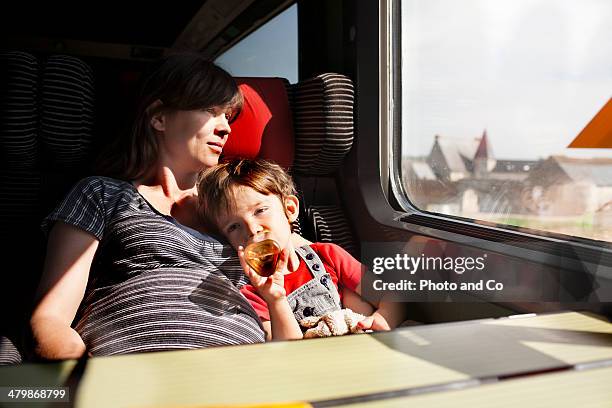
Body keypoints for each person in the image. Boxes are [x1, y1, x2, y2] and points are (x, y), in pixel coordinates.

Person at [29, 53, 267, 359]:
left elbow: (298, 271)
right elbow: (50, 319)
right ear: (159, 117)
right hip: (133, 377)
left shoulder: (242, 205)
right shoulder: (102, 194)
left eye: (228, 117)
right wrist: (80, 379)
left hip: (246, 376)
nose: (226, 129)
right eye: (211, 111)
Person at [196, 158, 406, 341]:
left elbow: (390, 294)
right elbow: (289, 351)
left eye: (260, 211)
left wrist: (382, 319)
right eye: (234, 226)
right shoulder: (252, 294)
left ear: (290, 209)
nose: (252, 229)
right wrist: (275, 299)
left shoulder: (327, 255)